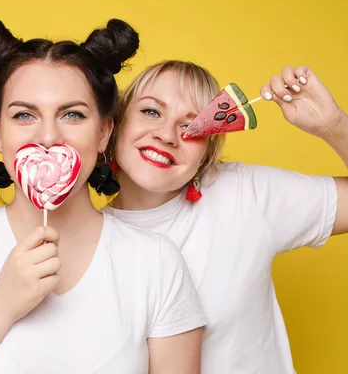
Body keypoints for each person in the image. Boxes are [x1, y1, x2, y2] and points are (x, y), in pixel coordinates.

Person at [0, 19, 206, 374]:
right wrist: (0, 306)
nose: (48, 136)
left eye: (73, 115)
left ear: (103, 133)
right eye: (24, 115)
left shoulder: (155, 261)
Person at [103, 60, 347, 373]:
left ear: (208, 150)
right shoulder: (85, 240)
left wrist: (334, 125)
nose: (166, 135)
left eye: (192, 124)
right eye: (151, 111)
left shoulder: (244, 195)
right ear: (117, 123)